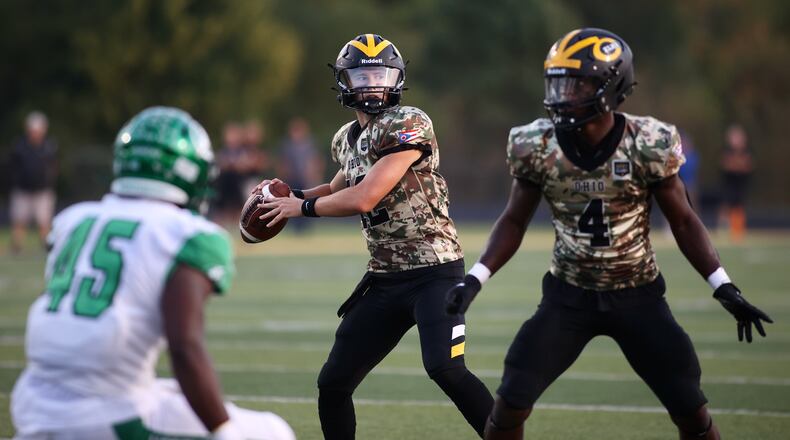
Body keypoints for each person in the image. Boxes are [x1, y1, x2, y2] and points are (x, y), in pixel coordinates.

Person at [444, 28, 773, 440]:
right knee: (510, 401)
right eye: (558, 82)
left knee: (690, 408)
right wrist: (475, 278)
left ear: (612, 86)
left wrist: (722, 285)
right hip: (568, 296)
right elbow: (514, 221)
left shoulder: (648, 142)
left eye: (577, 83)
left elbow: (684, 220)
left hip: (638, 294)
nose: (564, 94)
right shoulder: (536, 144)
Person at [256, 34, 494, 439]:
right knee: (333, 383)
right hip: (384, 279)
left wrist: (303, 209)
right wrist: (289, 196)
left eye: (380, 76)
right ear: (344, 81)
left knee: (446, 369)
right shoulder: (346, 138)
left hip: (434, 272)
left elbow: (365, 196)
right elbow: (336, 188)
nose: (372, 85)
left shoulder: (408, 123)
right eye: (363, 77)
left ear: (397, 79)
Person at [11, 107, 295, 440]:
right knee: (273, 432)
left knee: (167, 390)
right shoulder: (186, 234)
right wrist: (224, 431)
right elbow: (184, 346)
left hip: (34, 405)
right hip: (106, 416)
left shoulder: (72, 220)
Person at [8, 111, 58, 254]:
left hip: (43, 190)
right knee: (19, 220)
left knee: (44, 221)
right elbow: (12, 167)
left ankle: (46, 246)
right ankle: (16, 248)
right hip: (23, 190)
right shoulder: (19, 146)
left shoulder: (49, 147)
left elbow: (53, 167)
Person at [276, 117, 324, 233]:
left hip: (305, 179)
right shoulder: (287, 146)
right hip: (293, 178)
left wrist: (315, 174)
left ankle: (306, 226)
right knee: (293, 199)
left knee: (306, 200)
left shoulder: (310, 144)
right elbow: (283, 163)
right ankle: (294, 226)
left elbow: (316, 160)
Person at [719, 124, 753, 242]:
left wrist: (737, 163)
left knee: (739, 206)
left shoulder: (747, 151)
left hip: (741, 183)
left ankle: (738, 230)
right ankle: (723, 229)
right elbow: (727, 165)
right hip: (729, 182)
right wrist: (738, 163)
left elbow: (747, 166)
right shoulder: (727, 151)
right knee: (726, 205)